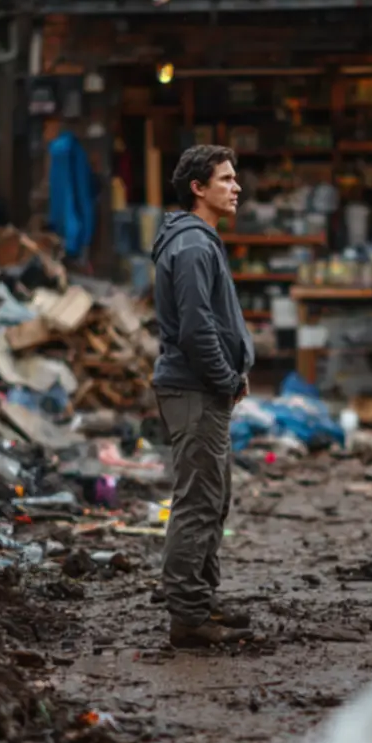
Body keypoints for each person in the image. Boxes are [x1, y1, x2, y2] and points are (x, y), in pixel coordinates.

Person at [150, 145, 255, 648]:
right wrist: (226, 378)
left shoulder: (199, 241)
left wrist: (234, 371)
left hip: (201, 387)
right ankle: (188, 617)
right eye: (226, 179)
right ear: (198, 188)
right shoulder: (192, 246)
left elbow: (211, 323)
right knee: (197, 502)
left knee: (213, 498)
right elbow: (196, 329)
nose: (236, 188)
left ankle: (201, 600)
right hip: (194, 389)